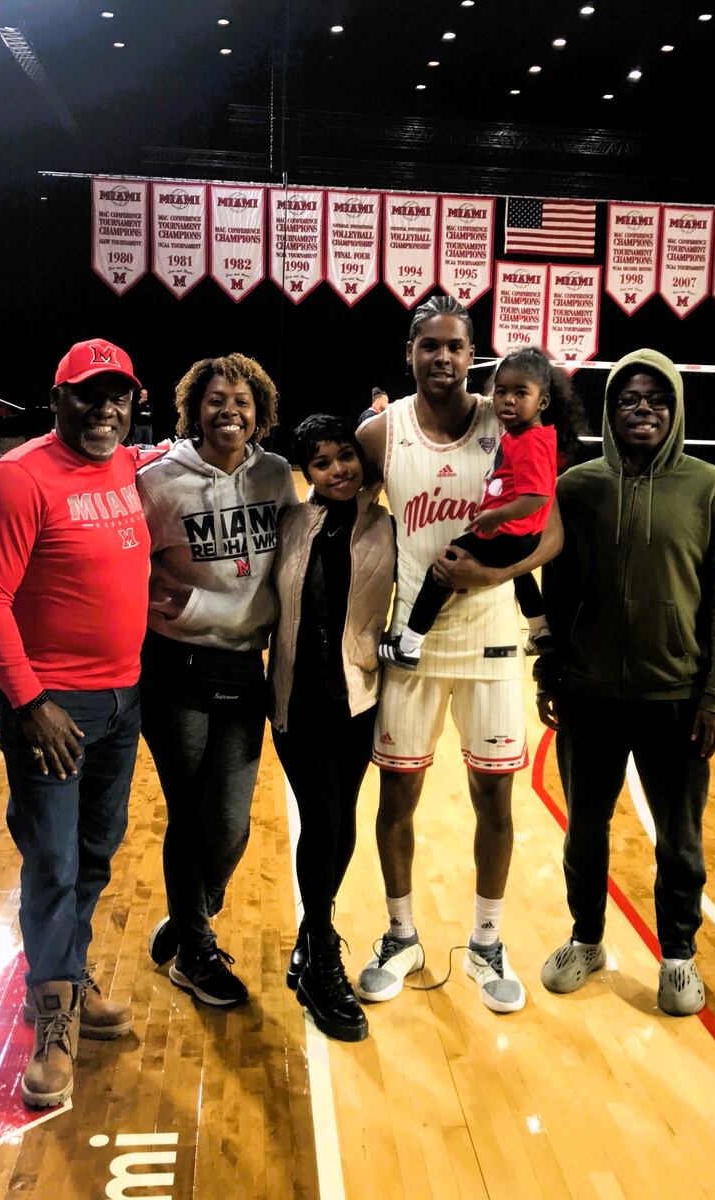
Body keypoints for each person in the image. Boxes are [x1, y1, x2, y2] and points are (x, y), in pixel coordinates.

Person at [352, 296, 562, 1015]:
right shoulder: (381, 435)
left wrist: (497, 573)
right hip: (412, 646)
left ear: (474, 354)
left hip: (494, 641)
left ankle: (486, 940)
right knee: (397, 797)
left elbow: (552, 532)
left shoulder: (505, 421)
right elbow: (343, 527)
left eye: (456, 347)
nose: (443, 357)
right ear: (409, 352)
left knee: (494, 796)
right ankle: (401, 932)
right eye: (429, 346)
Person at [0, 337, 149, 1108]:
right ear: (57, 397)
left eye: (119, 396)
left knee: (98, 853)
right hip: (53, 708)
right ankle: (53, 1019)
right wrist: (31, 701)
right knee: (52, 862)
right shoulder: (18, 478)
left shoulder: (130, 467)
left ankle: (68, 972)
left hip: (123, 699)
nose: (105, 409)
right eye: (88, 395)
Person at [534, 349, 715, 1017]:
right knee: (584, 830)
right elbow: (556, 588)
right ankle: (586, 938)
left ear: (676, 406)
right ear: (611, 409)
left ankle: (678, 955)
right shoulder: (577, 488)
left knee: (680, 838)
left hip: (677, 699)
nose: (643, 408)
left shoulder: (714, 491)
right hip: (588, 694)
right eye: (629, 398)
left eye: (656, 398)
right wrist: (550, 668)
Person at [136, 353, 298, 1007]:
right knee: (190, 812)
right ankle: (196, 953)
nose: (229, 410)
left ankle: (188, 918)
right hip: (177, 665)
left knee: (229, 822)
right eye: (215, 400)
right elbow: (127, 568)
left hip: (245, 666)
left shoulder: (278, 476)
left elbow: (289, 563)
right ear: (193, 409)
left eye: (242, 401)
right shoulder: (158, 482)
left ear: (259, 412)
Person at [268, 414, 395, 1041]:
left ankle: (311, 933)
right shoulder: (287, 524)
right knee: (322, 819)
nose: (338, 469)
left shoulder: (387, 527)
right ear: (306, 473)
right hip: (296, 701)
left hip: (359, 700)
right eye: (321, 462)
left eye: (345, 455)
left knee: (340, 819)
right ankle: (321, 956)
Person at [379, 345, 578, 667]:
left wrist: (495, 516)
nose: (507, 400)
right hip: (520, 536)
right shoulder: (527, 435)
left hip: (507, 532)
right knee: (522, 574)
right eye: (501, 392)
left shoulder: (531, 441)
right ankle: (541, 630)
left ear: (542, 401)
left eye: (520, 393)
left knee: (441, 569)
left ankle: (409, 645)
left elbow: (538, 495)